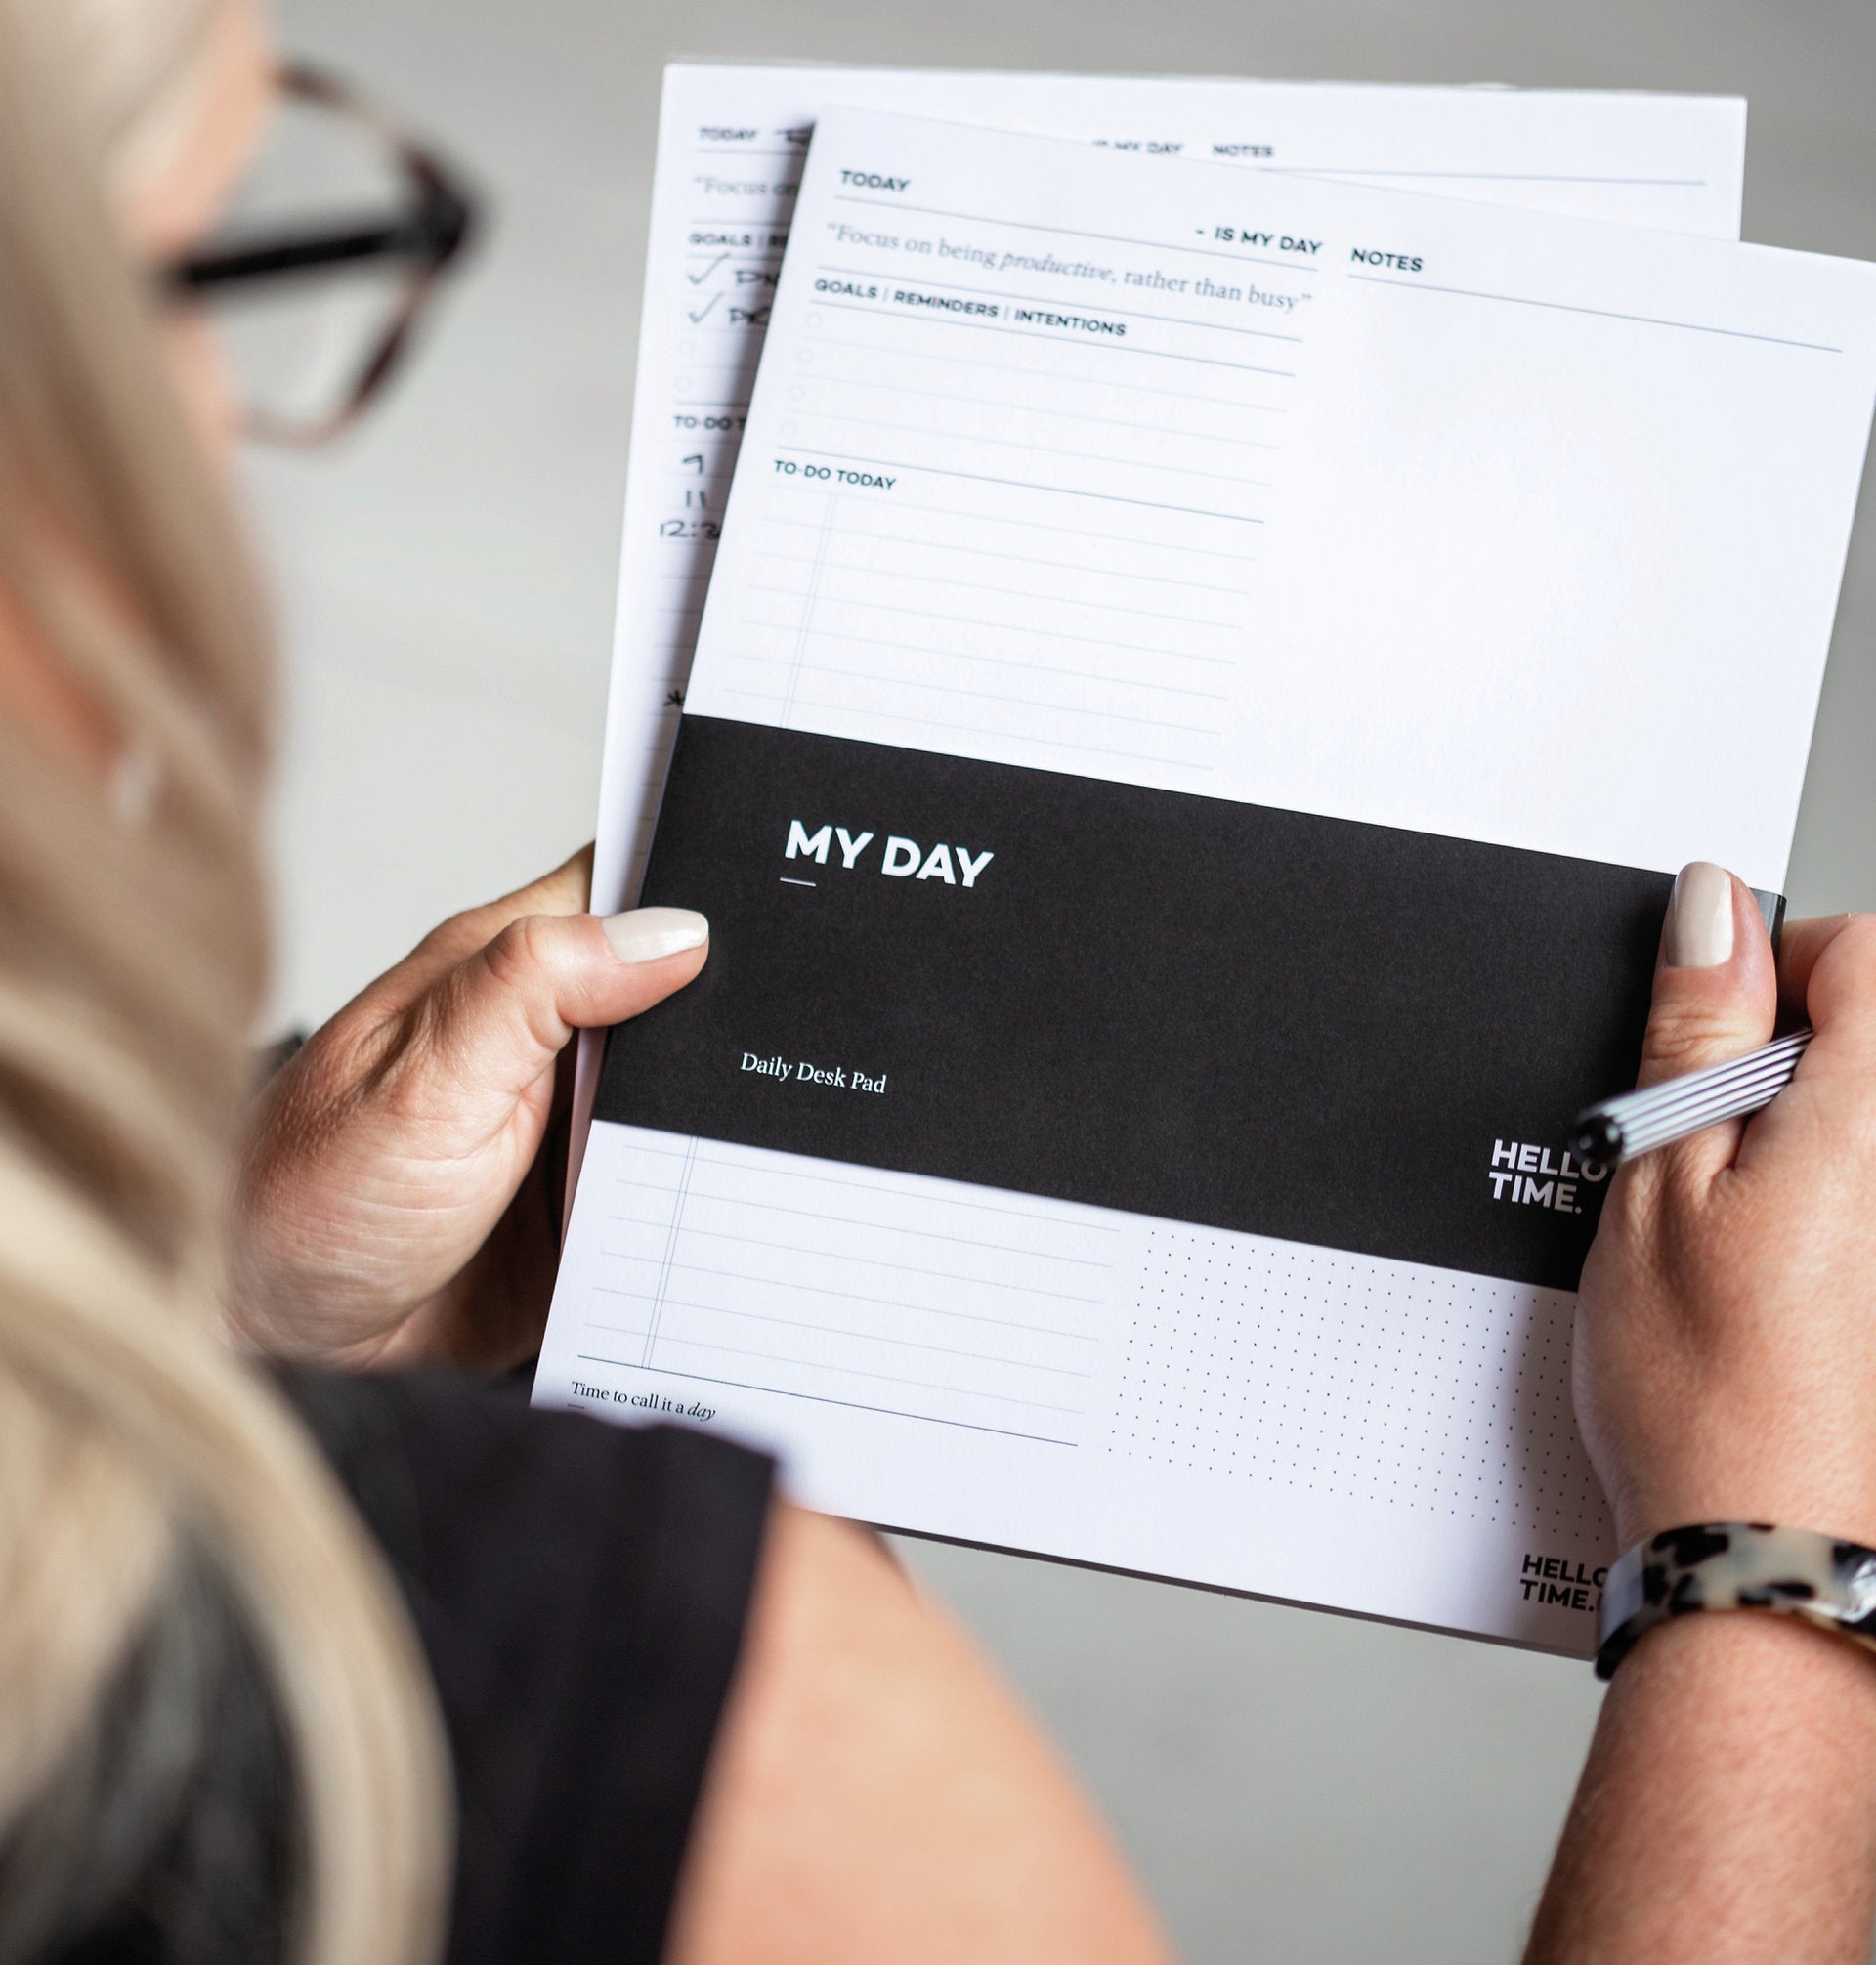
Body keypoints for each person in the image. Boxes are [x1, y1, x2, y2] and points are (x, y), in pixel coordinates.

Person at [0, 2, 1872, 1961]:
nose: (217, 425)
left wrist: (224, 1281)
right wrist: (1786, 1547)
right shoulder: (658, 1699)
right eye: (216, 269)